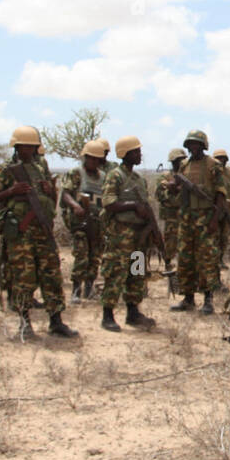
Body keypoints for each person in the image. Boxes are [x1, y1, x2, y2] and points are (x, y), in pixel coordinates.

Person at [0, 126, 75, 338]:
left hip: (43, 230)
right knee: (24, 277)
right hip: (21, 234)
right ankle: (24, 322)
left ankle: (56, 321)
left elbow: (50, 199)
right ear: (16, 147)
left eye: (32, 147)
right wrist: (11, 192)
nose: (28, 150)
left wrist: (50, 191)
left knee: (52, 275)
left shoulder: (40, 168)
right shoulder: (7, 170)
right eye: (24, 147)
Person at [98, 136, 159, 332]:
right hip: (120, 234)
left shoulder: (139, 179)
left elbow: (146, 207)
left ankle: (133, 312)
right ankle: (108, 315)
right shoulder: (115, 176)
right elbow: (108, 202)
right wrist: (133, 206)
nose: (140, 155)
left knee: (137, 273)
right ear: (125, 153)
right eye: (136, 152)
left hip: (139, 235)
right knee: (115, 273)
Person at [168, 130, 229, 315]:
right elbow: (178, 188)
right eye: (191, 144)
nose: (194, 147)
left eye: (197, 144)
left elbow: (220, 195)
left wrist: (214, 220)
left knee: (207, 260)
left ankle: (208, 300)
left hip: (206, 217)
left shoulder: (213, 166)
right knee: (186, 258)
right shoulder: (184, 165)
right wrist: (174, 187)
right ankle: (188, 298)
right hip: (187, 217)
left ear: (203, 145)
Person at [60, 140, 108, 303]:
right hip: (80, 223)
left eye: (97, 159)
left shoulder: (103, 177)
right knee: (81, 256)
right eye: (91, 158)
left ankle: (89, 289)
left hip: (97, 223)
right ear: (85, 158)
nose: (93, 162)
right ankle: (75, 290)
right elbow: (65, 193)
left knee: (95, 258)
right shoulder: (76, 173)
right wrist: (75, 206)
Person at [155, 147, 185, 268]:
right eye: (179, 160)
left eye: (183, 159)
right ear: (173, 162)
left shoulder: (187, 177)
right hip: (172, 220)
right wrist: (177, 193)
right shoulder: (165, 177)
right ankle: (170, 277)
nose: (182, 162)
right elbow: (163, 197)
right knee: (170, 249)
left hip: (186, 219)